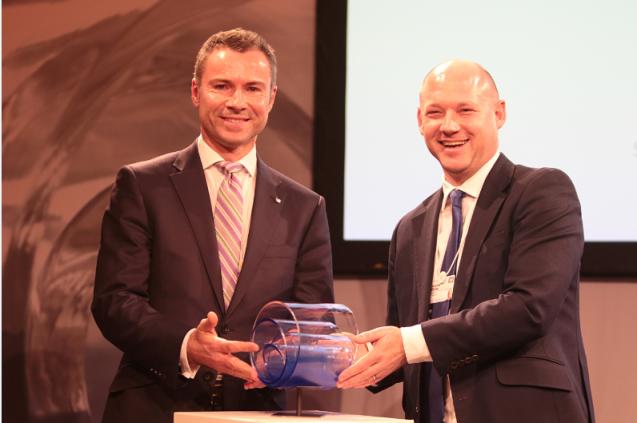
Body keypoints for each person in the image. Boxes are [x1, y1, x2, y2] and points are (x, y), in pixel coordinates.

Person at [92, 28, 334, 422]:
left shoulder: (304, 207)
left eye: (252, 88)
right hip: (155, 406)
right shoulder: (142, 185)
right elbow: (115, 301)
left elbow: (312, 320)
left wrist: (284, 358)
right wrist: (187, 344)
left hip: (255, 410)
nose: (237, 102)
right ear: (196, 92)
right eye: (222, 86)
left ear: (271, 98)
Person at [337, 60, 595, 423]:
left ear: (499, 113)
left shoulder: (541, 191)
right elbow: (404, 344)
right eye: (435, 112)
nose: (449, 125)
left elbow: (529, 308)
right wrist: (343, 356)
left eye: (465, 110)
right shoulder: (409, 228)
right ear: (419, 120)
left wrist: (408, 343)